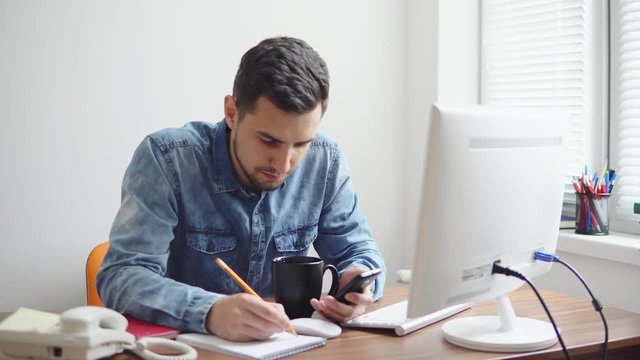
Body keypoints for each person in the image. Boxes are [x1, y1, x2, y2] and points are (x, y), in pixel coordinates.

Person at [97, 36, 386, 342]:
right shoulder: (169, 160)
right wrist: (210, 311)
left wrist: (359, 285)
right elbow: (122, 276)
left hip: (283, 346)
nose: (284, 164)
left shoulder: (325, 160)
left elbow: (360, 251)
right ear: (232, 112)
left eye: (301, 144)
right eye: (269, 141)